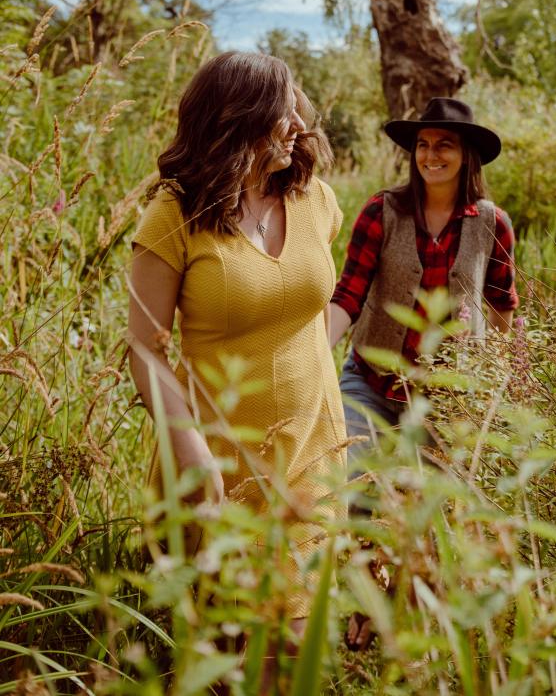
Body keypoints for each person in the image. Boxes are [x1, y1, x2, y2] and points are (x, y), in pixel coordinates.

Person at [126, 51, 347, 685]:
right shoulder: (176, 214)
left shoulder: (316, 201)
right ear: (238, 118)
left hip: (312, 454)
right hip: (222, 464)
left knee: (292, 647)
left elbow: (310, 309)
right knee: (225, 657)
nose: (298, 123)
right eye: (283, 110)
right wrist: (190, 450)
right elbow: (145, 347)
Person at [328, 96, 518, 647]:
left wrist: (505, 379)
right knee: (357, 487)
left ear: (466, 156)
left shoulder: (492, 224)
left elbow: (502, 305)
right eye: (423, 145)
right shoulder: (381, 211)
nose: (431, 155)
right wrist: (314, 353)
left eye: (444, 145)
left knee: (429, 513)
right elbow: (348, 295)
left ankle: (408, 627)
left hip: (445, 397)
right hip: (371, 378)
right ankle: (363, 605)